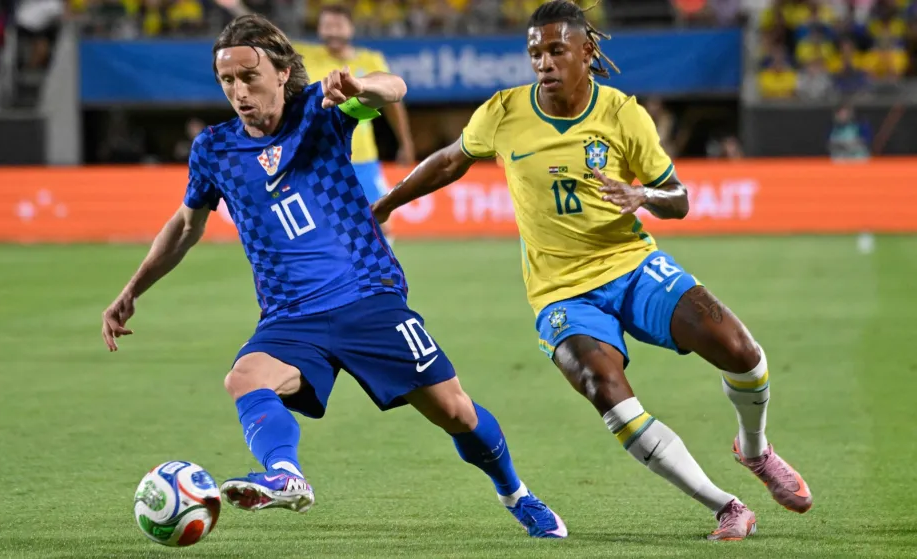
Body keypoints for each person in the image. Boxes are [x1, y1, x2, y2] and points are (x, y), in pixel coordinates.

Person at [100, 14, 566, 539]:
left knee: (456, 412)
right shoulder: (214, 149)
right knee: (245, 378)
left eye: (248, 76)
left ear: (281, 72)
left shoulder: (319, 114)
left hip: (367, 297)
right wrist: (131, 290)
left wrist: (360, 85)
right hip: (290, 315)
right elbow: (187, 226)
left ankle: (517, 495)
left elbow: (394, 88)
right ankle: (286, 474)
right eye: (226, 80)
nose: (238, 90)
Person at [373, 0, 812, 541]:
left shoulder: (623, 113)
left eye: (556, 49)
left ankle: (754, 449)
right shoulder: (504, 112)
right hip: (562, 293)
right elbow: (449, 160)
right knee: (607, 391)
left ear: (587, 51)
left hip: (632, 265)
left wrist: (643, 194)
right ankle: (725, 506)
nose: (544, 61)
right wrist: (387, 204)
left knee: (741, 351)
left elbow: (679, 199)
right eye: (535, 52)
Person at [298, 4, 415, 244]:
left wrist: (405, 142)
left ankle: (382, 276)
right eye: (327, 26)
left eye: (338, 26)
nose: (332, 32)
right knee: (322, 231)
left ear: (350, 28)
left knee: (382, 224)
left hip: (363, 159)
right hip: (319, 159)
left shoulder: (370, 59)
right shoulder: (305, 57)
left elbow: (394, 104)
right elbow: (268, 37)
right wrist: (236, 6)